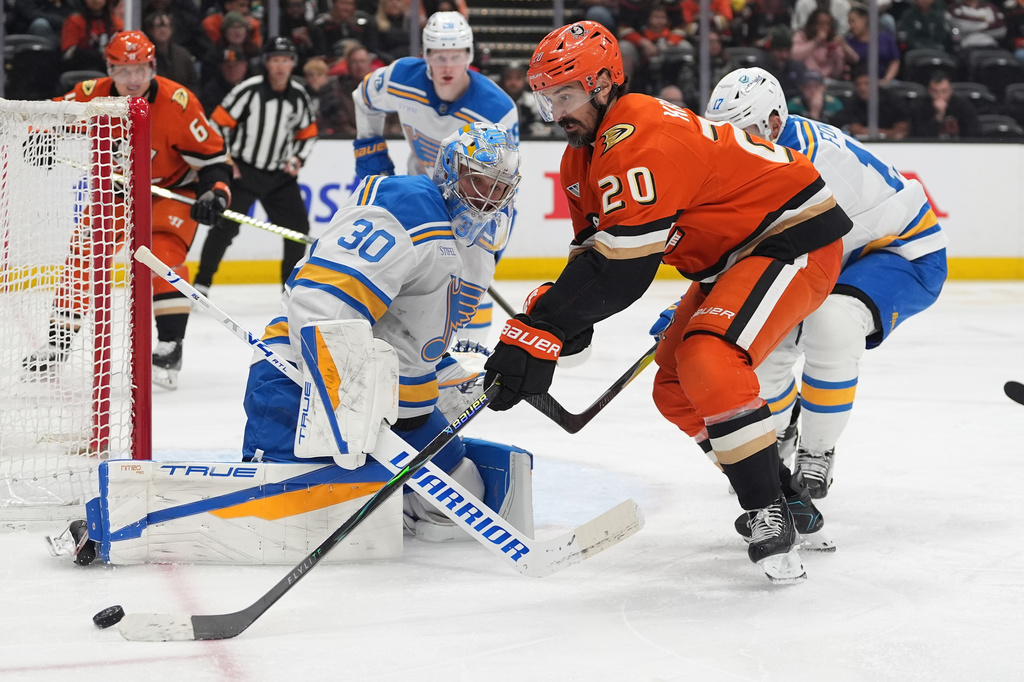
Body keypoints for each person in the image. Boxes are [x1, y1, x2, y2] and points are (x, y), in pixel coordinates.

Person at [484, 22, 853, 582]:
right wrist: (552, 325)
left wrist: (540, 329)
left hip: (790, 236)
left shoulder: (642, 133)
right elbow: (593, 260)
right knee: (675, 387)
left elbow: (623, 273)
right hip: (731, 258)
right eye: (547, 98)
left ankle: (767, 512)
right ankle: (783, 493)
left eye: (565, 95)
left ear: (603, 83)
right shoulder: (579, 161)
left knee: (709, 357)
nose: (556, 112)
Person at [242, 122, 530, 541]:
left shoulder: (475, 246)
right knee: (291, 526)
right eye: (479, 180)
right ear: (450, 170)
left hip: (390, 402)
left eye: (500, 187)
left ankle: (391, 503)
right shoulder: (408, 204)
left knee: (459, 500)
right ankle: (364, 495)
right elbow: (321, 306)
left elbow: (409, 335)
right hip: (301, 381)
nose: (489, 197)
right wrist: (347, 402)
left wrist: (448, 378)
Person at [703, 67, 948, 501]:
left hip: (900, 251)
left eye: (743, 133)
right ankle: (778, 435)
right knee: (757, 346)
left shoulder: (811, 164)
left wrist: (704, 301)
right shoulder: (760, 150)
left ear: (774, 122)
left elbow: (776, 251)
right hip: (832, 250)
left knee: (832, 325)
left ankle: (817, 450)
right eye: (723, 136)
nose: (732, 145)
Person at [26, 30, 232, 390]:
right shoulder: (92, 95)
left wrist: (215, 194)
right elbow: (48, 115)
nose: (133, 79)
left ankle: (170, 345)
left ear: (153, 68)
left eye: (140, 69)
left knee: (163, 256)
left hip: (172, 190)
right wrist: (39, 137)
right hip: (118, 192)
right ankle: (58, 344)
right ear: (110, 69)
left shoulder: (179, 103)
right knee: (85, 253)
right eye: (123, 70)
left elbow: (214, 161)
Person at [352, 11, 519, 343]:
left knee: (470, 279)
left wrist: (488, 242)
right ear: (425, 55)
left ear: (469, 56)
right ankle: (399, 345)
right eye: (439, 56)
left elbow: (504, 177)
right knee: (407, 273)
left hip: (471, 205)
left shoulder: (497, 108)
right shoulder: (402, 76)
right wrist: (371, 152)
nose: (447, 66)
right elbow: (364, 97)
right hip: (422, 192)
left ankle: (469, 356)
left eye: (456, 56)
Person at [195, 37, 318, 292]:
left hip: (279, 177)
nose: (281, 66)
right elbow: (217, 123)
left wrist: (297, 158)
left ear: (293, 63)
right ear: (266, 63)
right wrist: (227, 159)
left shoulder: (298, 95)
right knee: (224, 227)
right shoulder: (249, 90)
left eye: (286, 60)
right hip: (244, 172)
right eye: (275, 60)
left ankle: (289, 290)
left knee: (297, 231)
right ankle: (201, 284)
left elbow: (308, 133)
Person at [832, 64, 911, 139]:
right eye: (858, 84)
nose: (862, 88)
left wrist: (876, 133)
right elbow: (855, 130)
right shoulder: (852, 102)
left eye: (867, 83)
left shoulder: (893, 100)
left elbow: (901, 130)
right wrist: (887, 133)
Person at [909, 70, 982, 138]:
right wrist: (939, 116)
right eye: (935, 92)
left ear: (950, 90)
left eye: (944, 91)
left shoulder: (962, 105)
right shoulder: (920, 106)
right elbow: (919, 136)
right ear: (929, 91)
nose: (940, 96)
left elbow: (974, 131)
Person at [791, 8, 858, 80]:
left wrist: (842, 45)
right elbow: (794, 55)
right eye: (820, 23)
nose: (824, 27)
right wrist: (816, 41)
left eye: (828, 24)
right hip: (806, 78)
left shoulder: (833, 40)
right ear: (813, 24)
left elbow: (855, 59)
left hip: (829, 80)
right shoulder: (802, 35)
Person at [845, 3, 901, 85]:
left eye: (853, 21)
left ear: (864, 19)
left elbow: (895, 61)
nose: (851, 26)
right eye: (849, 22)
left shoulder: (886, 38)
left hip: (885, 81)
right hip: (859, 84)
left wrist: (886, 80)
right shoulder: (848, 42)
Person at [60, 0, 122, 73]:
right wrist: (99, 56)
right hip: (80, 69)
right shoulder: (74, 21)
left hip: (110, 70)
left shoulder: (117, 24)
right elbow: (69, 53)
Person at [143, 10, 198, 93]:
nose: (163, 30)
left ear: (171, 29)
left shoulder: (183, 55)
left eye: (166, 26)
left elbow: (193, 83)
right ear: (151, 30)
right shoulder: (145, 56)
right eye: (158, 26)